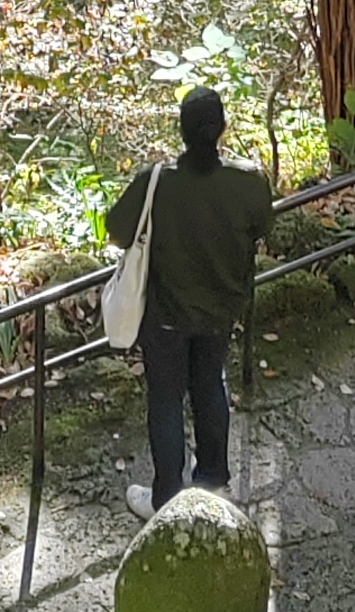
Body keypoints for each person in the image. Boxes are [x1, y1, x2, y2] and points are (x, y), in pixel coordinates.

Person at [106, 85, 273, 505]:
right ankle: (212, 481)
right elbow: (262, 226)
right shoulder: (249, 182)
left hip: (166, 314)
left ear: (181, 131)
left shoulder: (156, 183)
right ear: (223, 127)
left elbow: (117, 231)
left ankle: (166, 500)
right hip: (222, 308)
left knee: (166, 400)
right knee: (210, 384)